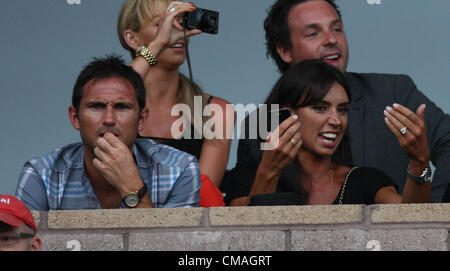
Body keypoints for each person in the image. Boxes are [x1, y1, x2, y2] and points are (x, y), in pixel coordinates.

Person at [223, 0, 450, 203]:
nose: (331, 40)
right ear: (284, 51)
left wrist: (436, 209)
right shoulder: (262, 122)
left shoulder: (393, 92)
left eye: (337, 29)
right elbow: (242, 224)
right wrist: (268, 171)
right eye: (313, 33)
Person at [223, 60, 430, 205]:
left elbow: (410, 220)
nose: (336, 121)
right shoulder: (252, 173)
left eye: (342, 110)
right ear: (287, 112)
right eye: (320, 108)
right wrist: (269, 171)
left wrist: (419, 160)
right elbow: (243, 236)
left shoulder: (363, 179)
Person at [15, 55, 201, 210]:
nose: (109, 119)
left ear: (142, 120)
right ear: (74, 117)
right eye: (96, 106)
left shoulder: (179, 169)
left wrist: (132, 187)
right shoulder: (42, 174)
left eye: (122, 107)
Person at [116, 0, 235, 194]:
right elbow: (115, 93)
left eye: (180, 22)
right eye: (160, 24)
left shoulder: (216, 111)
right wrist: (157, 45)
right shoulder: (114, 106)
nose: (173, 32)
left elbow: (200, 194)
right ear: (132, 38)